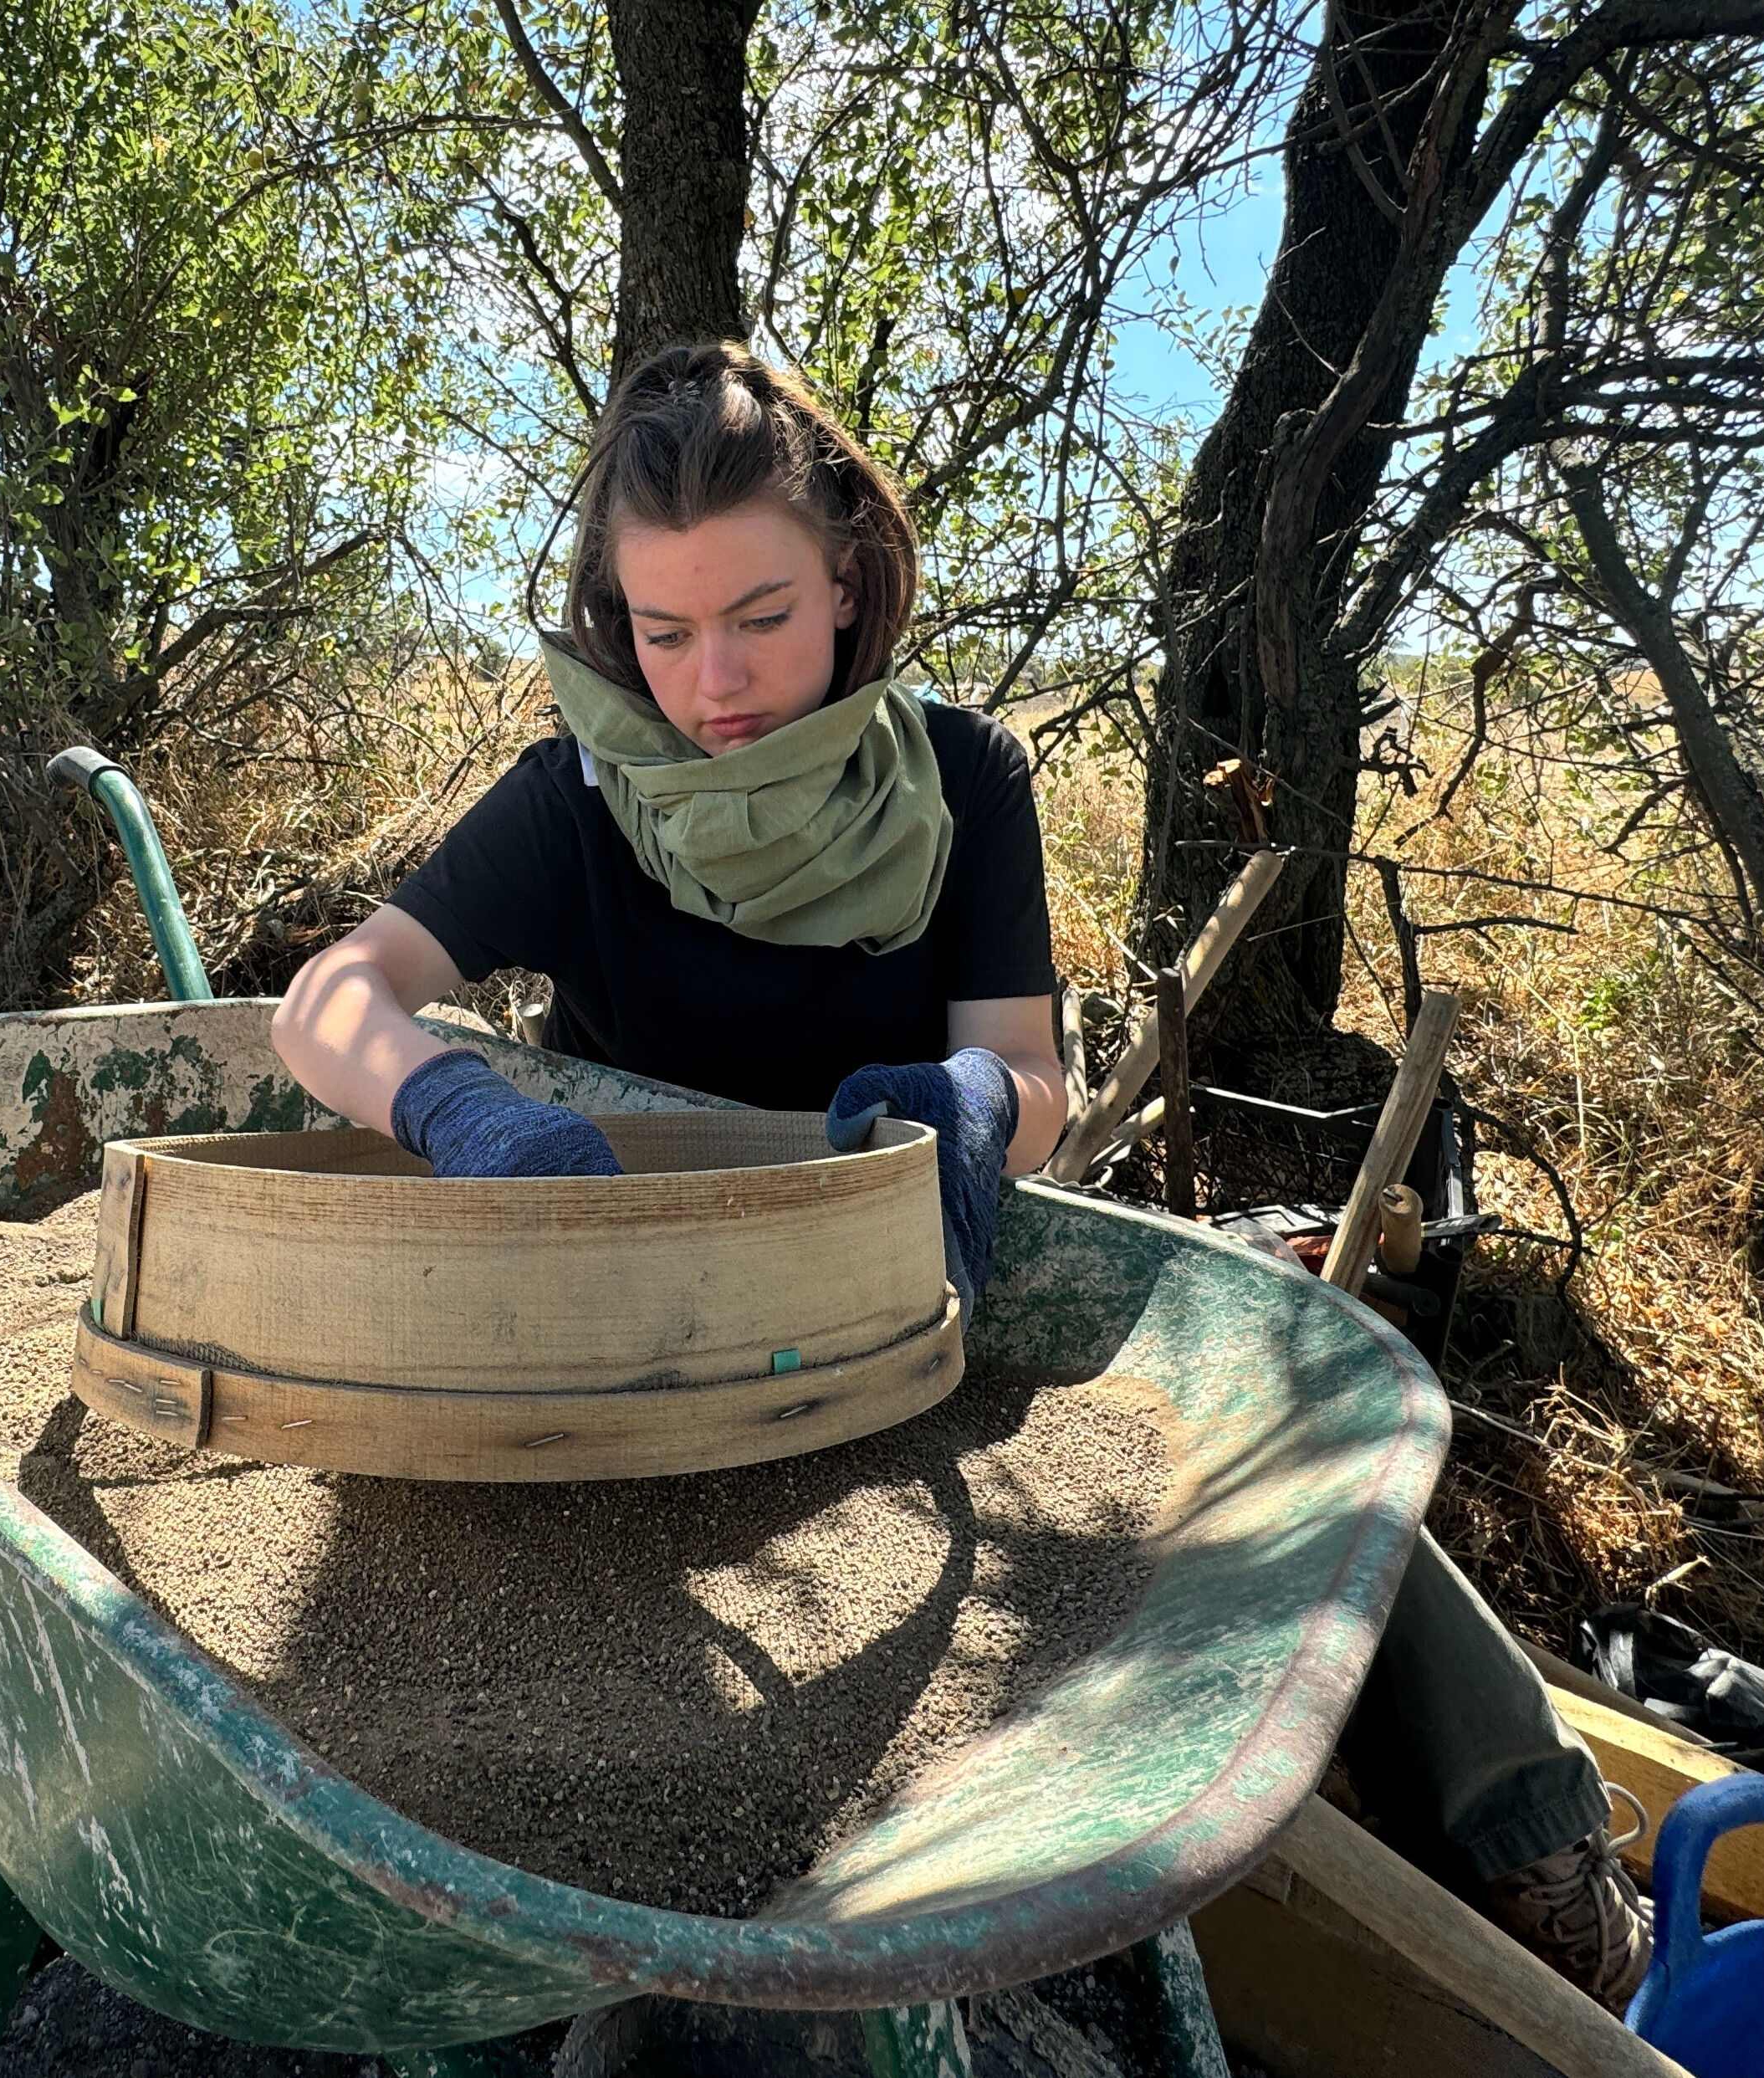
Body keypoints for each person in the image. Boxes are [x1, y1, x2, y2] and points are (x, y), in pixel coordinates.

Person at [267, 340, 1652, 2008]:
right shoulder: (575, 801)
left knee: (1291, 1476)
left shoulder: (967, 781)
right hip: (644, 1333)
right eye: (664, 631)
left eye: (761, 615)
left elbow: (1031, 1070)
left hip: (909, 1291)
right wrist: (464, 1112)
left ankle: (1533, 1839)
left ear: (849, 582)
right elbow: (328, 1000)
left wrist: (976, 1104)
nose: (714, 680)